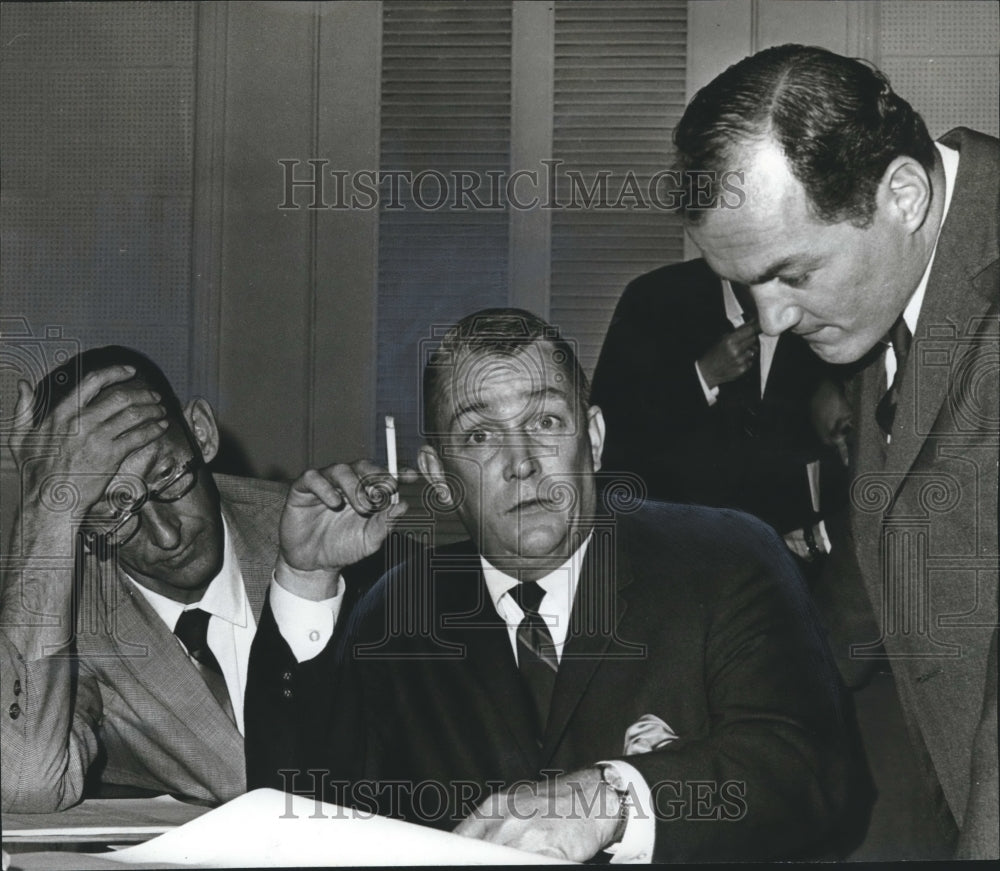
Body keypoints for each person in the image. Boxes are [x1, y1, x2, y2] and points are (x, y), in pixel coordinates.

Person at [246, 308, 857, 862]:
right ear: (437, 475)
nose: (521, 461)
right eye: (480, 436)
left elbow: (808, 774)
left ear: (591, 438)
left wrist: (614, 799)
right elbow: (298, 820)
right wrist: (307, 577)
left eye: (544, 420)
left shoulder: (727, 557)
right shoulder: (398, 611)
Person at [673, 44, 998, 858]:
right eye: (747, 287)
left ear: (903, 194)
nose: (770, 320)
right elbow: (875, 570)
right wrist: (708, 718)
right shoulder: (888, 291)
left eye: (789, 274)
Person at [0, 345, 361, 811]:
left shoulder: (325, 536)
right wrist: (46, 512)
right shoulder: (64, 612)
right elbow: (22, 782)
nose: (166, 535)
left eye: (169, 478)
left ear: (201, 433)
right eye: (112, 511)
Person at [590, 257, 848, 573]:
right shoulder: (654, 299)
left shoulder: (818, 299)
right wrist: (701, 377)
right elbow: (609, 434)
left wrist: (832, 391)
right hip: (674, 561)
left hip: (787, 568)